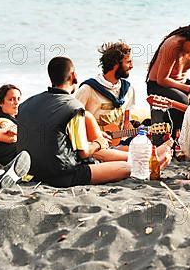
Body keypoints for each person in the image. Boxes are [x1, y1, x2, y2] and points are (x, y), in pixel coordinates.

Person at [18, 56, 171, 187]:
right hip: (61, 175)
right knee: (126, 167)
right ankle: (152, 160)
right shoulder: (73, 108)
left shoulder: (27, 103)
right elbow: (84, 153)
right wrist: (99, 143)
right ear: (74, 76)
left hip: (31, 171)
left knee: (102, 155)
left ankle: (150, 155)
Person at [146, 20, 190, 139]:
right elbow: (162, 79)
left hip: (181, 84)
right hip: (159, 85)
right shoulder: (174, 44)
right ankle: (176, 136)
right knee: (182, 99)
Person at [75, 41, 135, 142]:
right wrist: (95, 134)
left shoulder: (128, 89)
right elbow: (74, 120)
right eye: (128, 62)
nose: (132, 66)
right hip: (92, 144)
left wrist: (141, 133)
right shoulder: (88, 89)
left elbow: (126, 124)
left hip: (116, 143)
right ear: (116, 64)